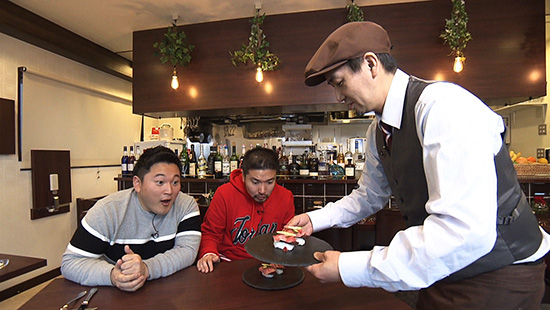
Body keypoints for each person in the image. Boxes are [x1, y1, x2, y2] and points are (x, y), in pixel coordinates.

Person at [287, 21, 550, 309]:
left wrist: (348, 267)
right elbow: (369, 195)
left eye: (340, 82)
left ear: (371, 65)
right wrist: (315, 220)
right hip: (445, 271)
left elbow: (461, 232)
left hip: (498, 274)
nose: (338, 97)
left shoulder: (443, 108)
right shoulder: (378, 130)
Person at [61, 146, 201, 292]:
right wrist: (112, 276)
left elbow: (187, 250)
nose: (169, 191)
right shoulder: (108, 210)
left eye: (175, 182)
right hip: (115, 296)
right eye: (160, 182)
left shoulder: (186, 204)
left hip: (169, 293)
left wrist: (147, 268)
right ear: (137, 183)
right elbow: (70, 263)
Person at [197, 147, 295, 273]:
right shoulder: (224, 194)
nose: (262, 190)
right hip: (229, 264)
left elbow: (288, 236)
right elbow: (211, 233)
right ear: (243, 176)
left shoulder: (285, 197)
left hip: (271, 264)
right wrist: (208, 253)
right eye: (255, 182)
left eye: (270, 182)